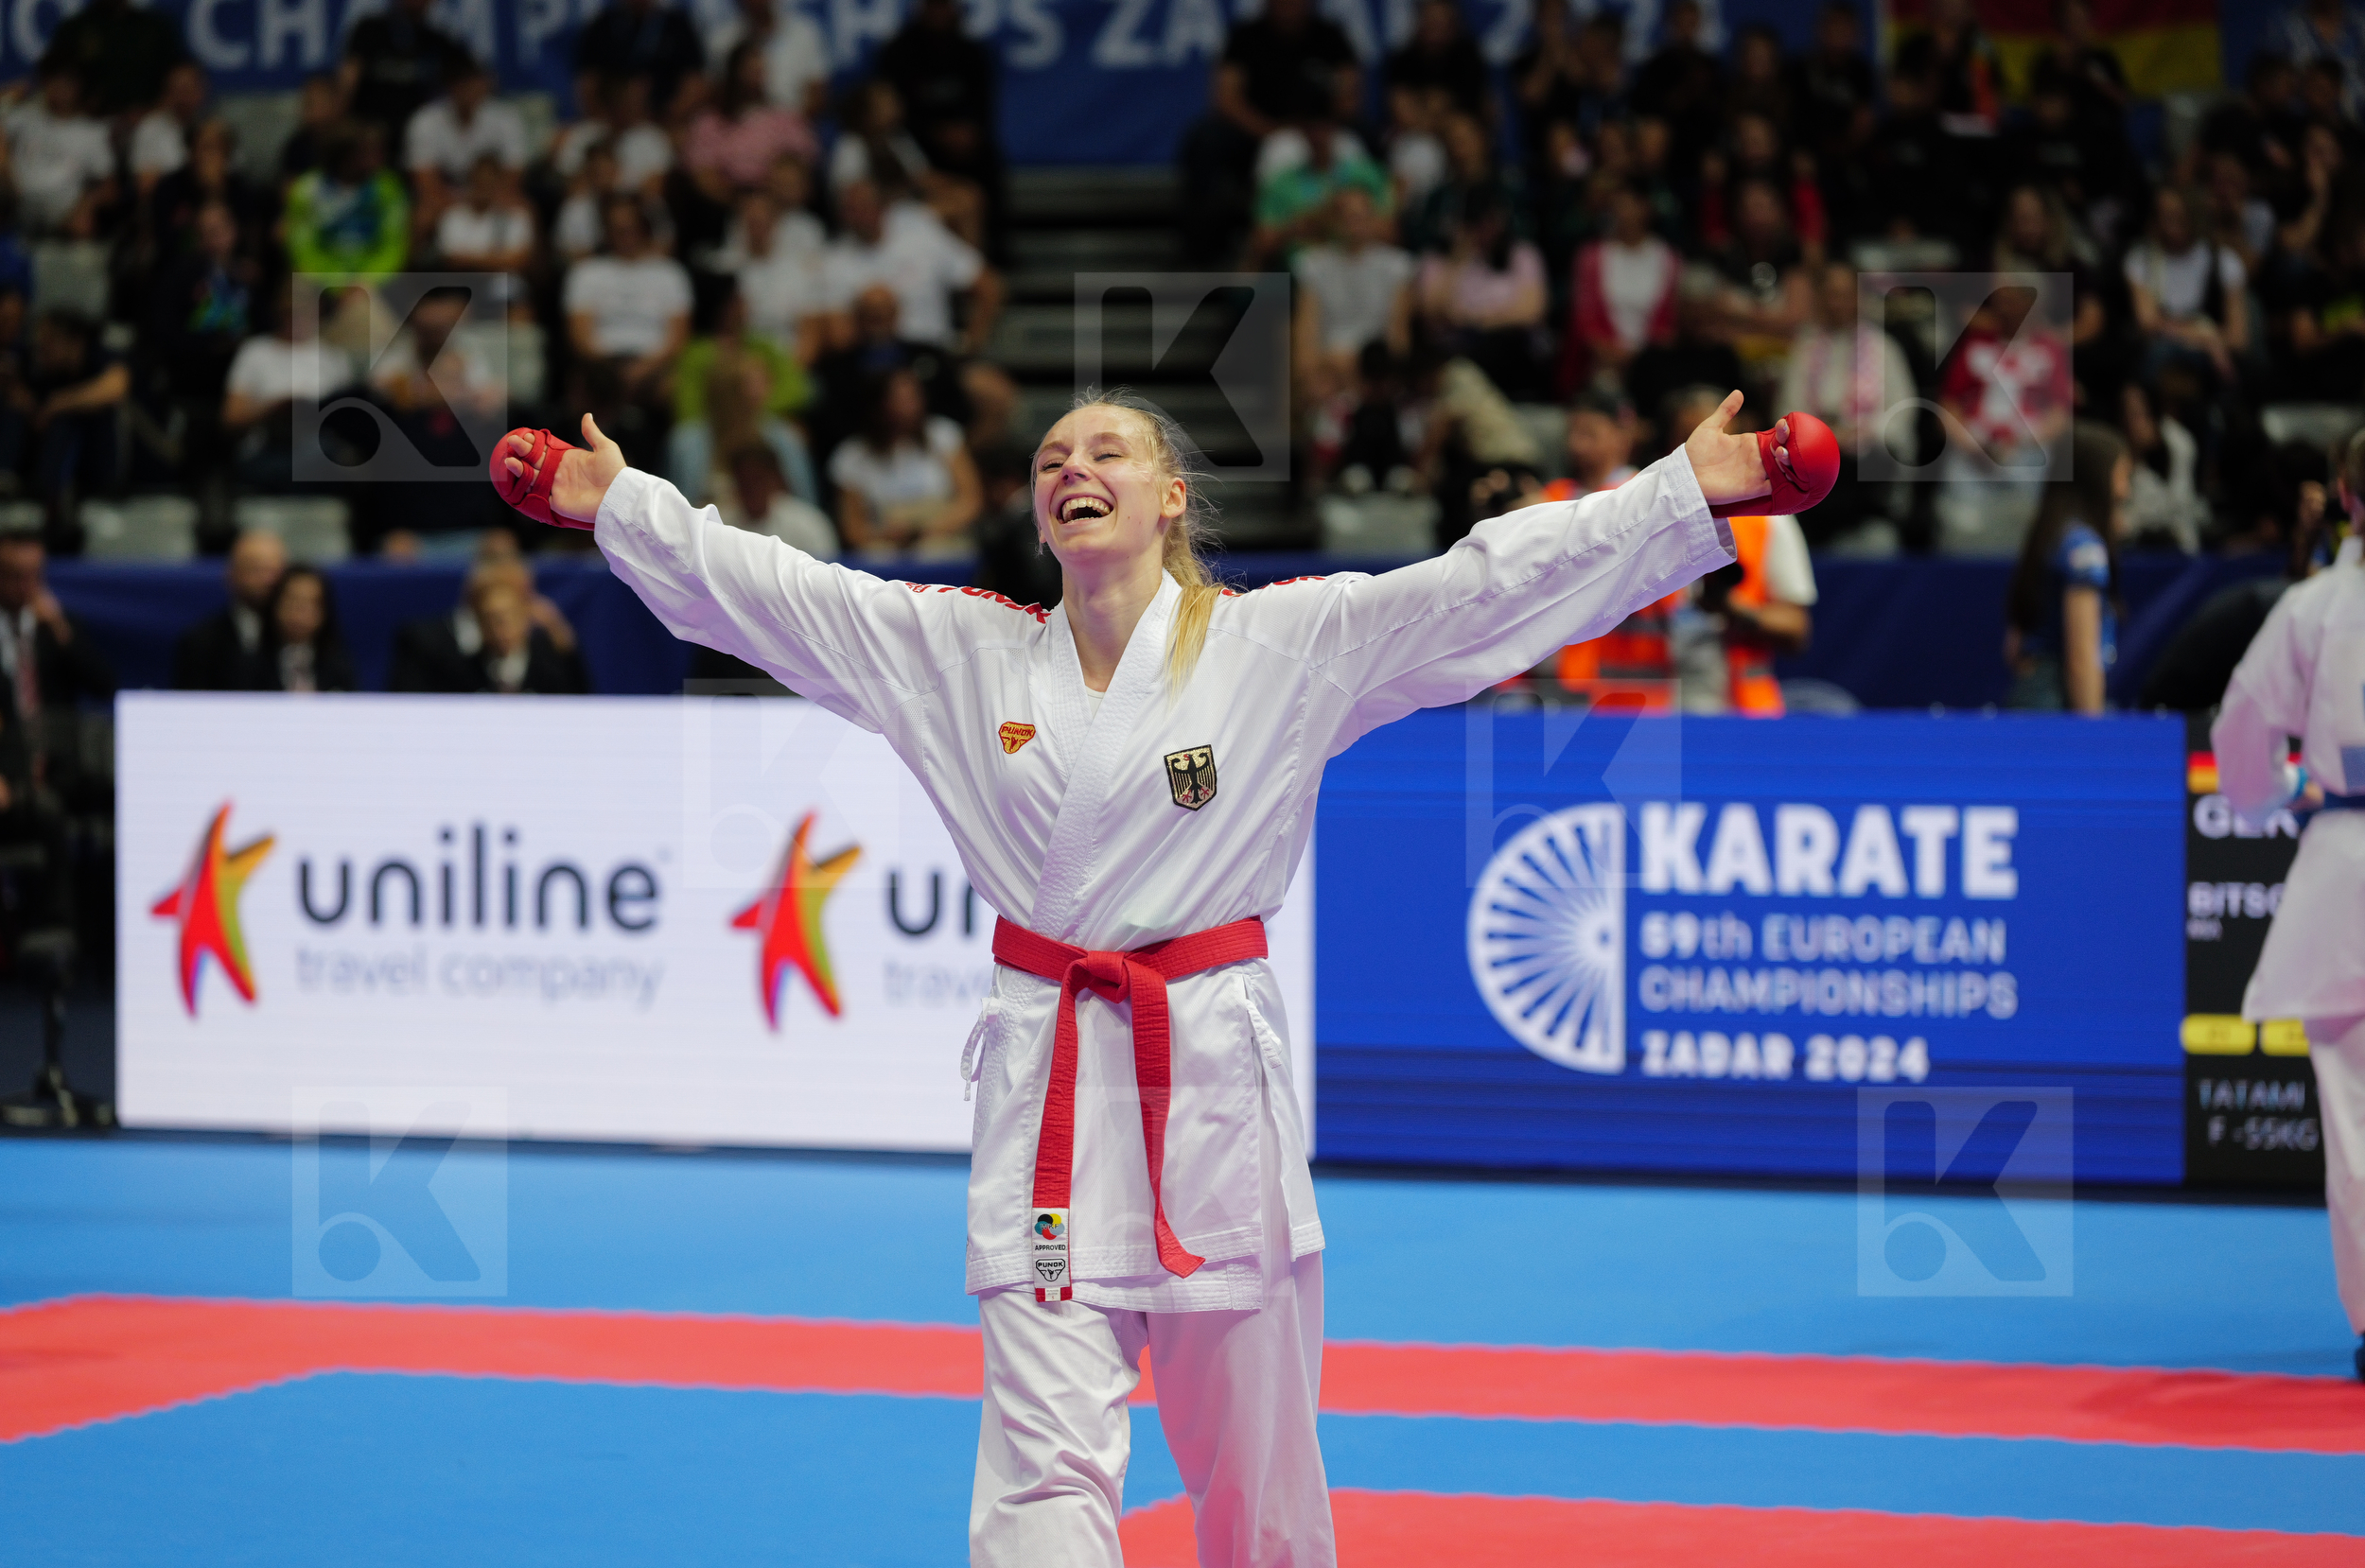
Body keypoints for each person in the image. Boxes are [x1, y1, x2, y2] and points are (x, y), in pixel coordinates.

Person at [496, 375, 1789, 1566]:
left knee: (1256, 1483)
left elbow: (1481, 586)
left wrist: (1681, 490)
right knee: (1040, 1470)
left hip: (1213, 1082)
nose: (1074, 465)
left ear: (1171, 496)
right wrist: (623, 503)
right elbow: (776, 590)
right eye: (1053, 456)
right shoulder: (961, 651)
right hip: (1048, 1075)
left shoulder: (1282, 643)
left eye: (1109, 448)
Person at [2211, 423, 2365, 1385]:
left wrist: (2281, 794)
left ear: (2346, 498)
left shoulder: (2314, 609)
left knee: (2354, 1121)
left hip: (2344, 856)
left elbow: (2240, 739)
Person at [2005, 421, 2128, 714]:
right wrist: (2091, 737)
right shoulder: (2085, 549)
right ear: (2097, 478)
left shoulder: (2050, 536)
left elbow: (2014, 649)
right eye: (2122, 476)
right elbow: (2082, 658)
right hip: (2056, 705)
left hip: (2031, 699)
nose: (2126, 489)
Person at [827, 368, 981, 555]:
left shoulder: (945, 436)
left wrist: (929, 529)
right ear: (878, 406)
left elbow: (970, 500)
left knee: (933, 552)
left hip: (941, 532)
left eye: (914, 398)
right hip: (884, 539)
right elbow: (853, 529)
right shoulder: (851, 457)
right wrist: (883, 534)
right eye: (900, 400)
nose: (911, 407)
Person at [1292, 185, 1415, 403]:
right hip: (1328, 368)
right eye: (1348, 217)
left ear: (1372, 218)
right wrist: (1311, 377)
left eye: (1361, 216)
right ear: (1335, 222)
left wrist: (1384, 379)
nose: (1355, 224)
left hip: (1375, 368)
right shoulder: (1313, 265)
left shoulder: (1396, 266)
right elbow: (1306, 334)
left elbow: (1399, 336)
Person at [403, 58, 531, 237]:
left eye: (473, 81)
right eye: (461, 82)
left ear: (485, 83)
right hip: (446, 197)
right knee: (422, 217)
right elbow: (426, 182)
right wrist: (462, 203)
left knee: (525, 211)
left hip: (492, 194)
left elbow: (514, 173)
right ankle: (415, 266)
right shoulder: (425, 120)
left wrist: (484, 199)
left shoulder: (506, 118)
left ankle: (523, 263)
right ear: (449, 85)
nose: (467, 89)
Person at [6, 64, 117, 239]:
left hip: (64, 211)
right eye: (54, 84)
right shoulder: (25, 118)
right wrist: (9, 97)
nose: (60, 91)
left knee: (85, 225)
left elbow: (109, 188)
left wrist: (86, 205)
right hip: (17, 202)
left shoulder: (91, 132)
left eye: (67, 85)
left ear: (78, 89)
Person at [341, 0, 473, 146]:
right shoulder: (370, 30)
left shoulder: (437, 41)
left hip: (416, 138)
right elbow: (347, 82)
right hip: (368, 135)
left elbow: (473, 78)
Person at [173, 529, 288, 690]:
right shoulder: (202, 643)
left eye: (274, 571)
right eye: (256, 569)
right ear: (231, 575)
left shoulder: (306, 639)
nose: (268, 580)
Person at [256, 565, 356, 693]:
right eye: (293, 602)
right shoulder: (253, 665)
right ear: (275, 605)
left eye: (310, 604)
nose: (300, 614)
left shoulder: (339, 666)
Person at [130, 59, 209, 198]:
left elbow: (229, 176)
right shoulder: (150, 129)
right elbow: (143, 185)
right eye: (177, 89)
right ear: (167, 92)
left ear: (201, 90)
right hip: (166, 206)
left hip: (207, 205)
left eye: (188, 89)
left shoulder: (213, 128)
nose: (183, 97)